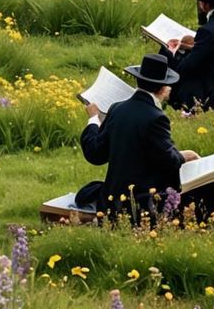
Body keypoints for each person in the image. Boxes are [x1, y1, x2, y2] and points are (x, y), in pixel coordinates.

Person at [81, 53, 192, 224]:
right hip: (141, 203)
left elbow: (95, 154)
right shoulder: (156, 118)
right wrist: (187, 155)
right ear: (162, 89)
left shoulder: (117, 109)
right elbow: (169, 162)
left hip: (111, 200)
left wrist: (93, 120)